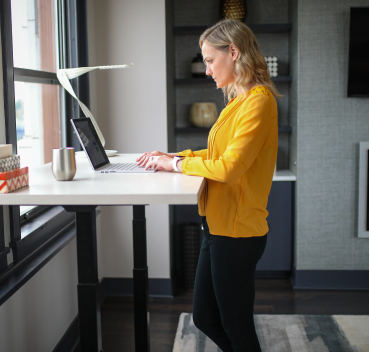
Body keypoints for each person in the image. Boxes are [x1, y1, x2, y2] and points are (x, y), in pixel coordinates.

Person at [136, 19, 280, 351]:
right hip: (216, 226)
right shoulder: (239, 100)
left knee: (236, 325)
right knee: (205, 317)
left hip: (238, 232)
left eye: (210, 60)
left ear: (234, 52)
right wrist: (173, 156)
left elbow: (229, 168)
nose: (207, 70)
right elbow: (220, 152)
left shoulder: (259, 102)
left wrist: (174, 164)